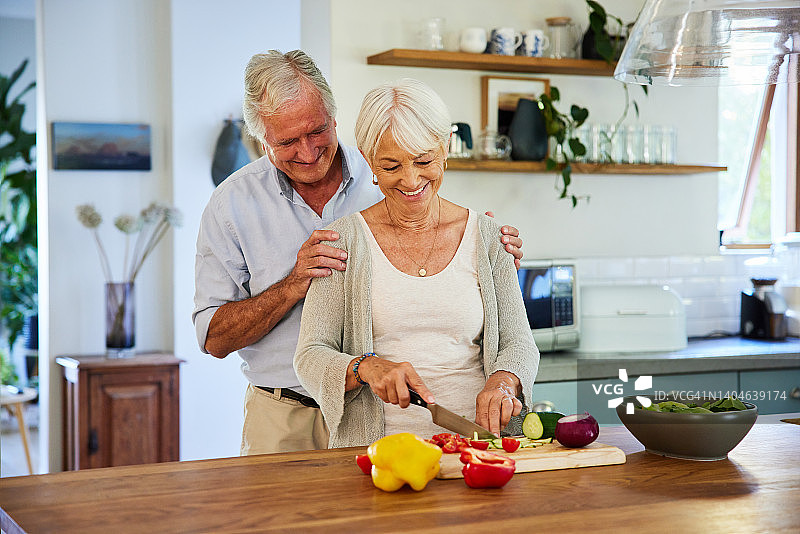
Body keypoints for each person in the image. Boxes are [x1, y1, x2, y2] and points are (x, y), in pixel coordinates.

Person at [192, 50, 525, 455]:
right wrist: (295, 284)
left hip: (405, 422)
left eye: (316, 132)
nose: (308, 151)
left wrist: (490, 247)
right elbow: (215, 338)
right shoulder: (234, 206)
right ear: (262, 141)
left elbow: (509, 332)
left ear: (334, 119)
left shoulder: (392, 173)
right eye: (287, 141)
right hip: (287, 411)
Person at [293, 78, 539, 448]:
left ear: (444, 148)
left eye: (423, 160)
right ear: (368, 158)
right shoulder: (342, 241)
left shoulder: (488, 236)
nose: (410, 180)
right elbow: (310, 356)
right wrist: (365, 367)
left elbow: (519, 342)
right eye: (391, 166)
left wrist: (503, 380)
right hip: (377, 454)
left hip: (479, 448)